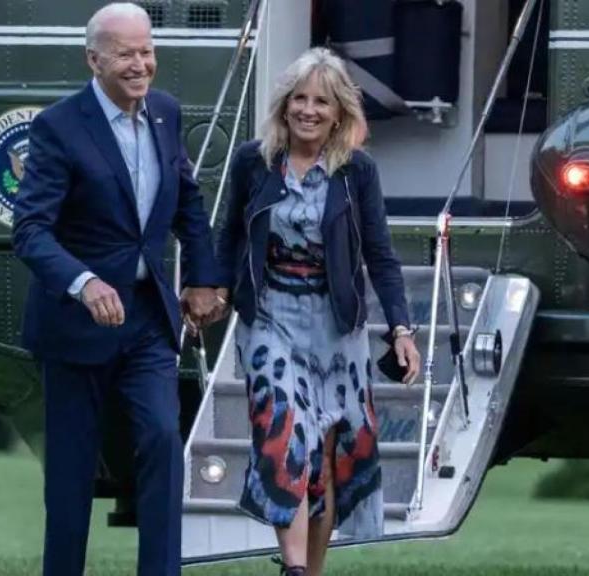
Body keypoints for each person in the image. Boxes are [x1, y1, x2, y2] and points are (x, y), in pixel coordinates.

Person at [11, 3, 223, 574]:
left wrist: (203, 276)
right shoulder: (58, 126)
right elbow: (30, 230)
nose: (140, 64)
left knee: (161, 440)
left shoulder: (165, 114)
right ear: (94, 59)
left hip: (148, 321)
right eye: (126, 54)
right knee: (73, 474)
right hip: (75, 328)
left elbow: (189, 202)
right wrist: (83, 283)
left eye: (147, 51)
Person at [212, 47, 421, 576]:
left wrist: (401, 329)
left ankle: (312, 570)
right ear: (284, 105)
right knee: (288, 443)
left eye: (321, 102)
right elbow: (229, 236)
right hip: (271, 320)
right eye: (299, 99)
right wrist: (210, 289)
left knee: (327, 460)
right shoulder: (253, 161)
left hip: (336, 330)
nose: (308, 110)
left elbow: (380, 254)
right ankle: (294, 568)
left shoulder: (357, 173)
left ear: (338, 113)